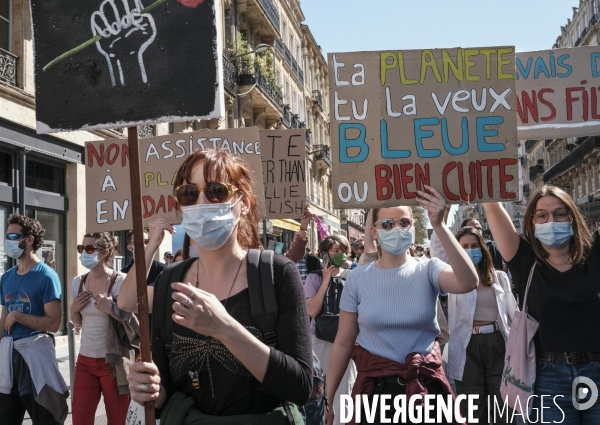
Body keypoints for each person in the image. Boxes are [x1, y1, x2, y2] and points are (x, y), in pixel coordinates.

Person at [123, 149, 312, 421]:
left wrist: (225, 328)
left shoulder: (277, 274)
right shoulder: (169, 282)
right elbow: (165, 391)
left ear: (243, 202)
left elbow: (301, 386)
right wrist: (149, 389)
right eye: (189, 193)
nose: (201, 202)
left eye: (216, 191)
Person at [325, 186, 479, 425]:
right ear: (374, 231)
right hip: (376, 396)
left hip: (425, 391)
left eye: (404, 222)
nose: (396, 228)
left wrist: (439, 225)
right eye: (387, 224)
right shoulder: (357, 278)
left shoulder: (429, 268)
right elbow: (344, 342)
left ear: (413, 228)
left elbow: (468, 281)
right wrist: (329, 396)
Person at [483, 185, 600, 424]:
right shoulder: (525, 260)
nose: (551, 220)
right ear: (532, 221)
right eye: (542, 215)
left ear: (572, 218)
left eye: (560, 213)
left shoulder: (595, 254)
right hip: (548, 379)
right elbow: (492, 206)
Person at [441, 226, 517, 424]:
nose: (470, 250)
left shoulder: (498, 277)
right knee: (472, 406)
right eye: (464, 246)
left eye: (474, 246)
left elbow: (513, 314)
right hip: (466, 345)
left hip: (496, 342)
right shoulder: (450, 278)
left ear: (482, 248)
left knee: (503, 404)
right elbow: (437, 249)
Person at [0, 213, 67, 425]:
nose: (8, 240)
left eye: (13, 236)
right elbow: (2, 322)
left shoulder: (46, 276)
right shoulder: (6, 277)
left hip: (35, 360)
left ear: (29, 240)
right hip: (8, 361)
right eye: (7, 236)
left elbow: (53, 323)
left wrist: (18, 316)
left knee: (45, 419)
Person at [70, 232, 137, 425]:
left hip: (113, 362)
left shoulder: (121, 281)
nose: (84, 253)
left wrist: (112, 309)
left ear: (105, 252)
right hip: (84, 361)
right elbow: (79, 323)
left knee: (117, 420)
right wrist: (74, 310)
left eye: (90, 249)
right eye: (81, 249)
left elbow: (135, 322)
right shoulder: (78, 282)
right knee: (80, 419)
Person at [304, 235, 357, 425]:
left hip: (348, 340)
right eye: (335, 251)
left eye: (343, 250)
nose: (340, 254)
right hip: (320, 341)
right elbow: (312, 310)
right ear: (325, 254)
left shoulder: (354, 276)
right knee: (321, 387)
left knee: (345, 387)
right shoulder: (314, 278)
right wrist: (326, 280)